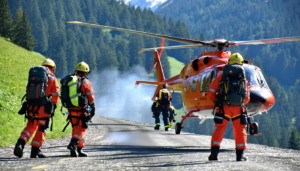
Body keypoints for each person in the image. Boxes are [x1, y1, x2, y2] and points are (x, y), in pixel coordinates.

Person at [207, 53, 250, 161]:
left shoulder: (221, 75)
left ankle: (214, 154)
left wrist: (218, 101)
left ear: (229, 62)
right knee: (240, 130)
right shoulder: (243, 78)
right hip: (238, 109)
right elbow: (247, 97)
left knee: (220, 129)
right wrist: (240, 103)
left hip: (223, 107)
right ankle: (240, 156)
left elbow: (211, 93)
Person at [14, 58, 59, 158]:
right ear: (53, 68)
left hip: (31, 107)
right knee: (42, 129)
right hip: (44, 109)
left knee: (30, 127)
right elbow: (56, 94)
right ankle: (35, 151)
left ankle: (20, 144)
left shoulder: (35, 76)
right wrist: (53, 105)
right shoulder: (51, 77)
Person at [62, 62, 95, 157]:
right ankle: (73, 144)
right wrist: (92, 106)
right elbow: (91, 98)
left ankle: (78, 149)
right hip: (82, 110)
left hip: (71, 110)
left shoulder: (70, 81)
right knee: (82, 128)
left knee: (75, 128)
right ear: (86, 72)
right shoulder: (86, 82)